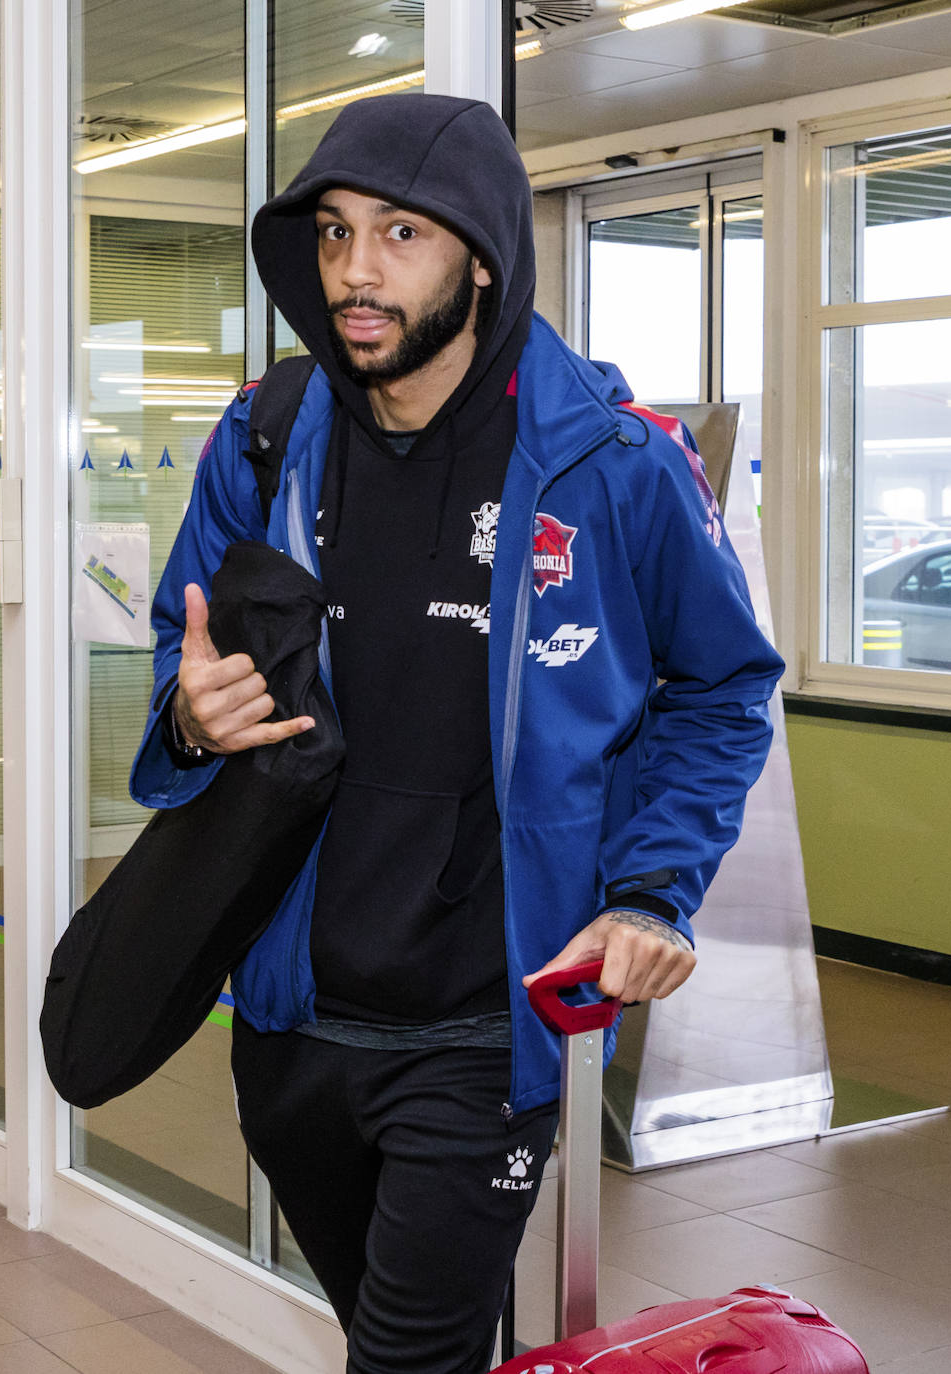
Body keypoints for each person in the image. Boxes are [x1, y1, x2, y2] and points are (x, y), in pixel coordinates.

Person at [130, 93, 784, 1374]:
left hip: (487, 1025)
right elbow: (183, 645)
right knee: (409, 1340)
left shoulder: (613, 462)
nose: (355, 271)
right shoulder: (263, 442)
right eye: (329, 233)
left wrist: (656, 892)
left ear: (480, 254)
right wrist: (189, 716)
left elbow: (722, 689)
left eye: (399, 234)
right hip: (290, 1015)